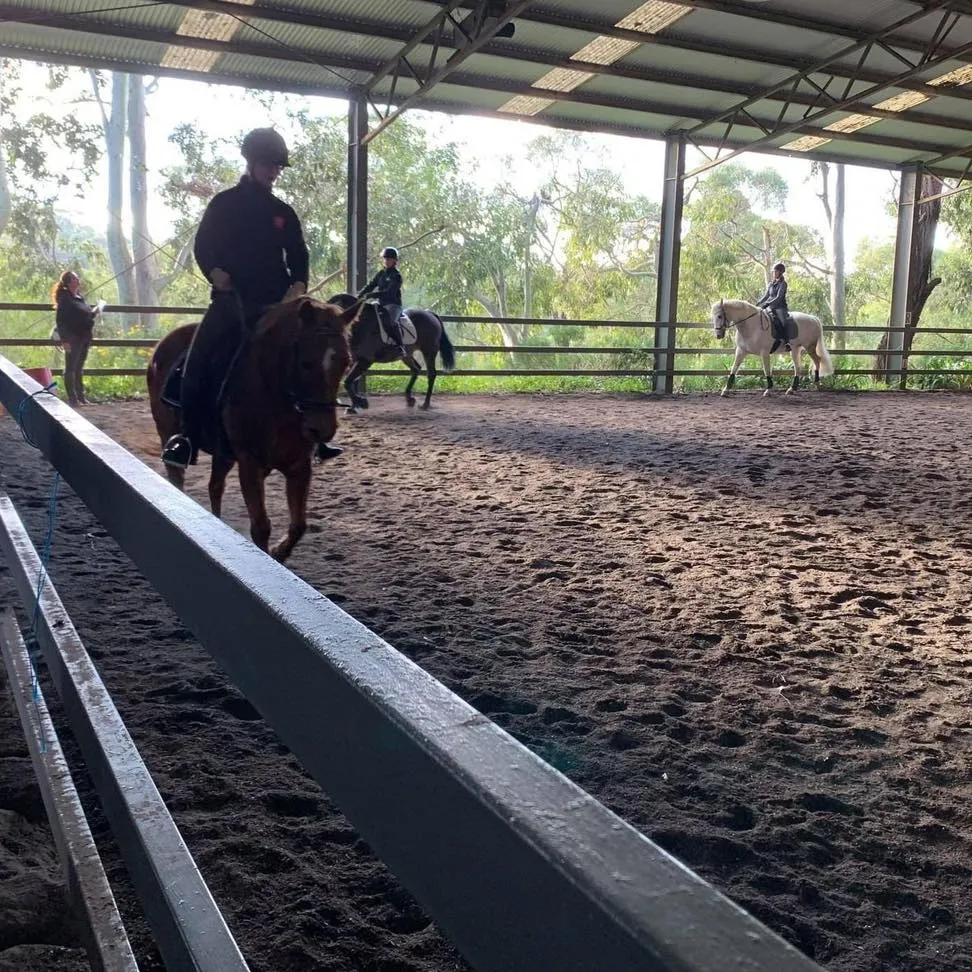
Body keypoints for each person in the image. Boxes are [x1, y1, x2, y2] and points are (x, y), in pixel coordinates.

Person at [161, 127, 340, 469]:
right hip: (232, 302)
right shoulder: (224, 203)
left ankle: (314, 437)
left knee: (312, 360)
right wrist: (215, 272)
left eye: (278, 167)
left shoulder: (283, 212)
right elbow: (204, 245)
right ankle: (185, 436)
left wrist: (299, 284)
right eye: (269, 165)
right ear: (252, 162)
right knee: (197, 361)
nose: (273, 172)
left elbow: (298, 253)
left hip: (276, 304)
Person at [52, 270, 98, 406]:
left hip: (84, 336)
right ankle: (73, 399)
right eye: (75, 279)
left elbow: (85, 315)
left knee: (79, 367)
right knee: (71, 368)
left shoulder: (78, 297)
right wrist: (65, 340)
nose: (78, 281)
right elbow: (60, 321)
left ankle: (81, 397)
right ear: (69, 282)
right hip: (73, 337)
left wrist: (95, 312)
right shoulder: (65, 299)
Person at [357, 246, 407, 356]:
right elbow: (370, 285)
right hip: (380, 304)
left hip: (393, 305)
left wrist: (372, 295)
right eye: (385, 259)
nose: (386, 261)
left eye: (389, 259)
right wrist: (359, 296)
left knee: (391, 322)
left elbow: (389, 292)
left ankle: (400, 347)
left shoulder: (396, 276)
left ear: (394, 261)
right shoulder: (381, 274)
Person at [756, 262, 791, 350]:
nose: (774, 273)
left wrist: (768, 303)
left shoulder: (783, 284)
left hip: (780, 308)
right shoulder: (771, 284)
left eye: (776, 271)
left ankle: (787, 343)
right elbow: (766, 296)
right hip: (770, 307)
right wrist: (758, 303)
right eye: (773, 272)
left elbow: (779, 297)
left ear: (781, 272)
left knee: (783, 323)